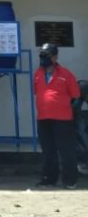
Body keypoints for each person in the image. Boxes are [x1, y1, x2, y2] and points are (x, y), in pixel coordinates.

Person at [33, 43, 80, 189]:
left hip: (62, 119)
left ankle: (70, 180)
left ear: (54, 57)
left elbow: (76, 95)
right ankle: (49, 178)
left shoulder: (66, 74)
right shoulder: (38, 74)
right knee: (48, 150)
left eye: (46, 56)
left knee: (66, 150)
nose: (43, 58)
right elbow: (37, 92)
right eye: (41, 55)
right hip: (43, 118)